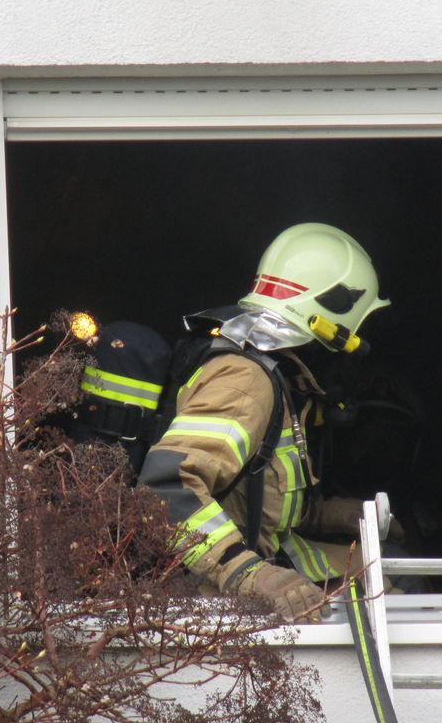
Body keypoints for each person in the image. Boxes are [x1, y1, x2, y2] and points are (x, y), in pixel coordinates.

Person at [139, 222, 391, 623]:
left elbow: (261, 500)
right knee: (387, 588)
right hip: (208, 592)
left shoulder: (278, 379)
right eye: (355, 331)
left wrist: (338, 515)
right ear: (329, 318)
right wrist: (248, 574)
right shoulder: (247, 381)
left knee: (385, 571)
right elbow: (164, 490)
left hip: (259, 558)